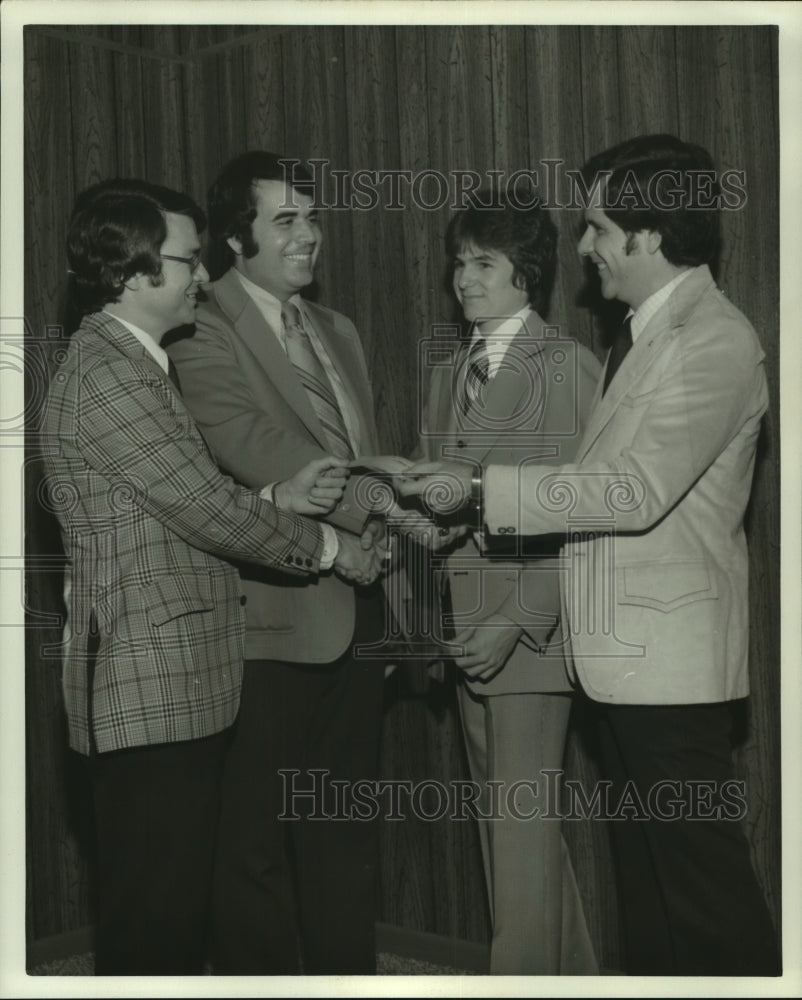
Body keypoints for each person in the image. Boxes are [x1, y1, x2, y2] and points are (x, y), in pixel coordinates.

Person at [397, 135, 781, 976]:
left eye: (599, 229)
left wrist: (481, 493)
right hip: (625, 665)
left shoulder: (714, 340)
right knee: (650, 900)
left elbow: (632, 490)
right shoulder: (641, 336)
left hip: (670, 669)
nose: (583, 248)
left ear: (648, 236)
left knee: (706, 904)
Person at [40, 179, 380, 975]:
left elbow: (179, 504)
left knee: (174, 917)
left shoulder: (132, 365)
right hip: (151, 691)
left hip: (172, 690)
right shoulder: (114, 377)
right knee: (155, 930)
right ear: (132, 272)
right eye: (189, 261)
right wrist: (331, 549)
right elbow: (205, 509)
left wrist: (273, 497)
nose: (203, 276)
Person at [166, 151, 389, 974]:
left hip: (359, 612)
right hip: (264, 620)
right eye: (285, 220)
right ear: (234, 239)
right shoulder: (200, 321)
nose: (310, 236)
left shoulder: (341, 332)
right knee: (252, 848)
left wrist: (393, 514)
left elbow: (358, 457)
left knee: (344, 835)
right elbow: (253, 446)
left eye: (313, 217)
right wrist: (381, 508)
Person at [398, 193, 600, 974]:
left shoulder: (568, 367)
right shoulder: (450, 373)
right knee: (513, 835)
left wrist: (516, 620)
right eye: (458, 262)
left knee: (517, 839)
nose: (463, 278)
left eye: (483, 261)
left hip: (529, 631)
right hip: (468, 628)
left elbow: (586, 522)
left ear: (529, 271)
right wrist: (430, 526)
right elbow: (460, 499)